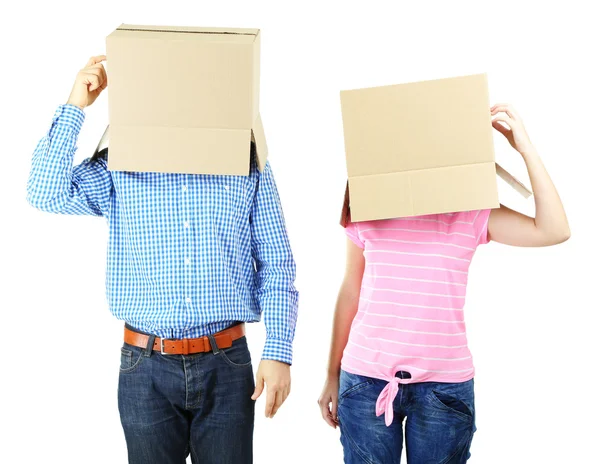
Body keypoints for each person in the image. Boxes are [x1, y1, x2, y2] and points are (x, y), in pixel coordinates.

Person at [27, 55, 298, 464]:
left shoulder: (247, 163)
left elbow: (277, 264)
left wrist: (278, 351)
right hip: (145, 367)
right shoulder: (118, 165)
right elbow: (44, 191)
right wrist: (75, 105)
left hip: (226, 364)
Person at [318, 103, 570, 463]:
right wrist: (331, 373)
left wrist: (525, 148)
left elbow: (554, 230)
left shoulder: (470, 211)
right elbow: (350, 291)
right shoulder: (369, 202)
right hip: (365, 382)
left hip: (444, 387)